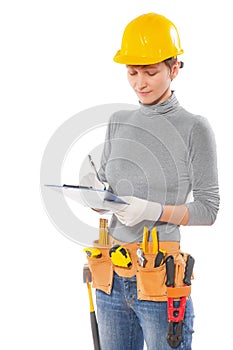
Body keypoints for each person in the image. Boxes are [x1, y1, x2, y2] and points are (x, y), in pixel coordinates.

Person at [83, 12, 219, 350]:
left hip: (160, 280)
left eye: (151, 72)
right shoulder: (119, 120)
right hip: (111, 277)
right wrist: (89, 188)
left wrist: (153, 209)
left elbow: (208, 209)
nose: (140, 83)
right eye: (132, 72)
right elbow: (104, 184)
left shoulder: (194, 129)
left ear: (174, 69)